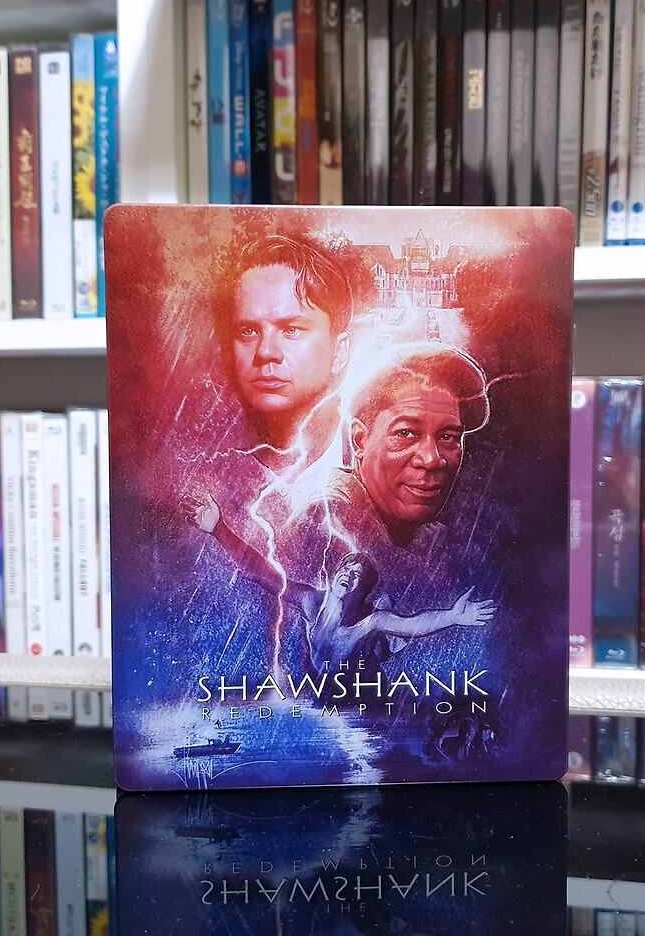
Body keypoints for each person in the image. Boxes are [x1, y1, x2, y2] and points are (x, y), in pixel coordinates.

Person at [181, 492, 496, 672]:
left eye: (358, 576)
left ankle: (387, 647)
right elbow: (260, 571)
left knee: (387, 641)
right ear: (333, 578)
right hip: (321, 675)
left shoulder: (371, 621)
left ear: (363, 592)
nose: (350, 574)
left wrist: (453, 617)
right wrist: (219, 529)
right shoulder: (311, 601)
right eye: (346, 568)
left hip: (357, 675)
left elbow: (414, 625)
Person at [312, 343, 489, 553]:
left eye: (447, 437)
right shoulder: (319, 530)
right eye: (406, 433)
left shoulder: (433, 542)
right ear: (359, 440)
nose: (432, 459)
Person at [212, 234, 354, 472]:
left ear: (339, 351)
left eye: (291, 330)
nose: (265, 351)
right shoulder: (202, 472)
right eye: (248, 331)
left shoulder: (375, 468)